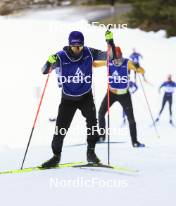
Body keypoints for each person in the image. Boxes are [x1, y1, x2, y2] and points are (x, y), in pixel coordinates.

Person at [41, 31, 107, 168]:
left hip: (86, 97)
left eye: (80, 46)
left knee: (92, 124)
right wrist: (49, 62)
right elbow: (44, 71)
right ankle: (56, 156)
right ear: (69, 45)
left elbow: (112, 56)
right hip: (68, 99)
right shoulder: (60, 56)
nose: (77, 50)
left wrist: (110, 42)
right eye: (74, 46)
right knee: (60, 128)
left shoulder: (89, 52)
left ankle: (91, 153)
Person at [97, 32, 145, 147]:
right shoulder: (108, 61)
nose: (116, 61)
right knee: (100, 113)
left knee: (131, 119)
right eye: (114, 58)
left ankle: (135, 141)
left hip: (124, 94)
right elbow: (95, 65)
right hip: (111, 93)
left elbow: (141, 71)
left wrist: (137, 67)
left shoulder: (127, 62)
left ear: (121, 55)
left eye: (118, 58)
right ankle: (102, 136)